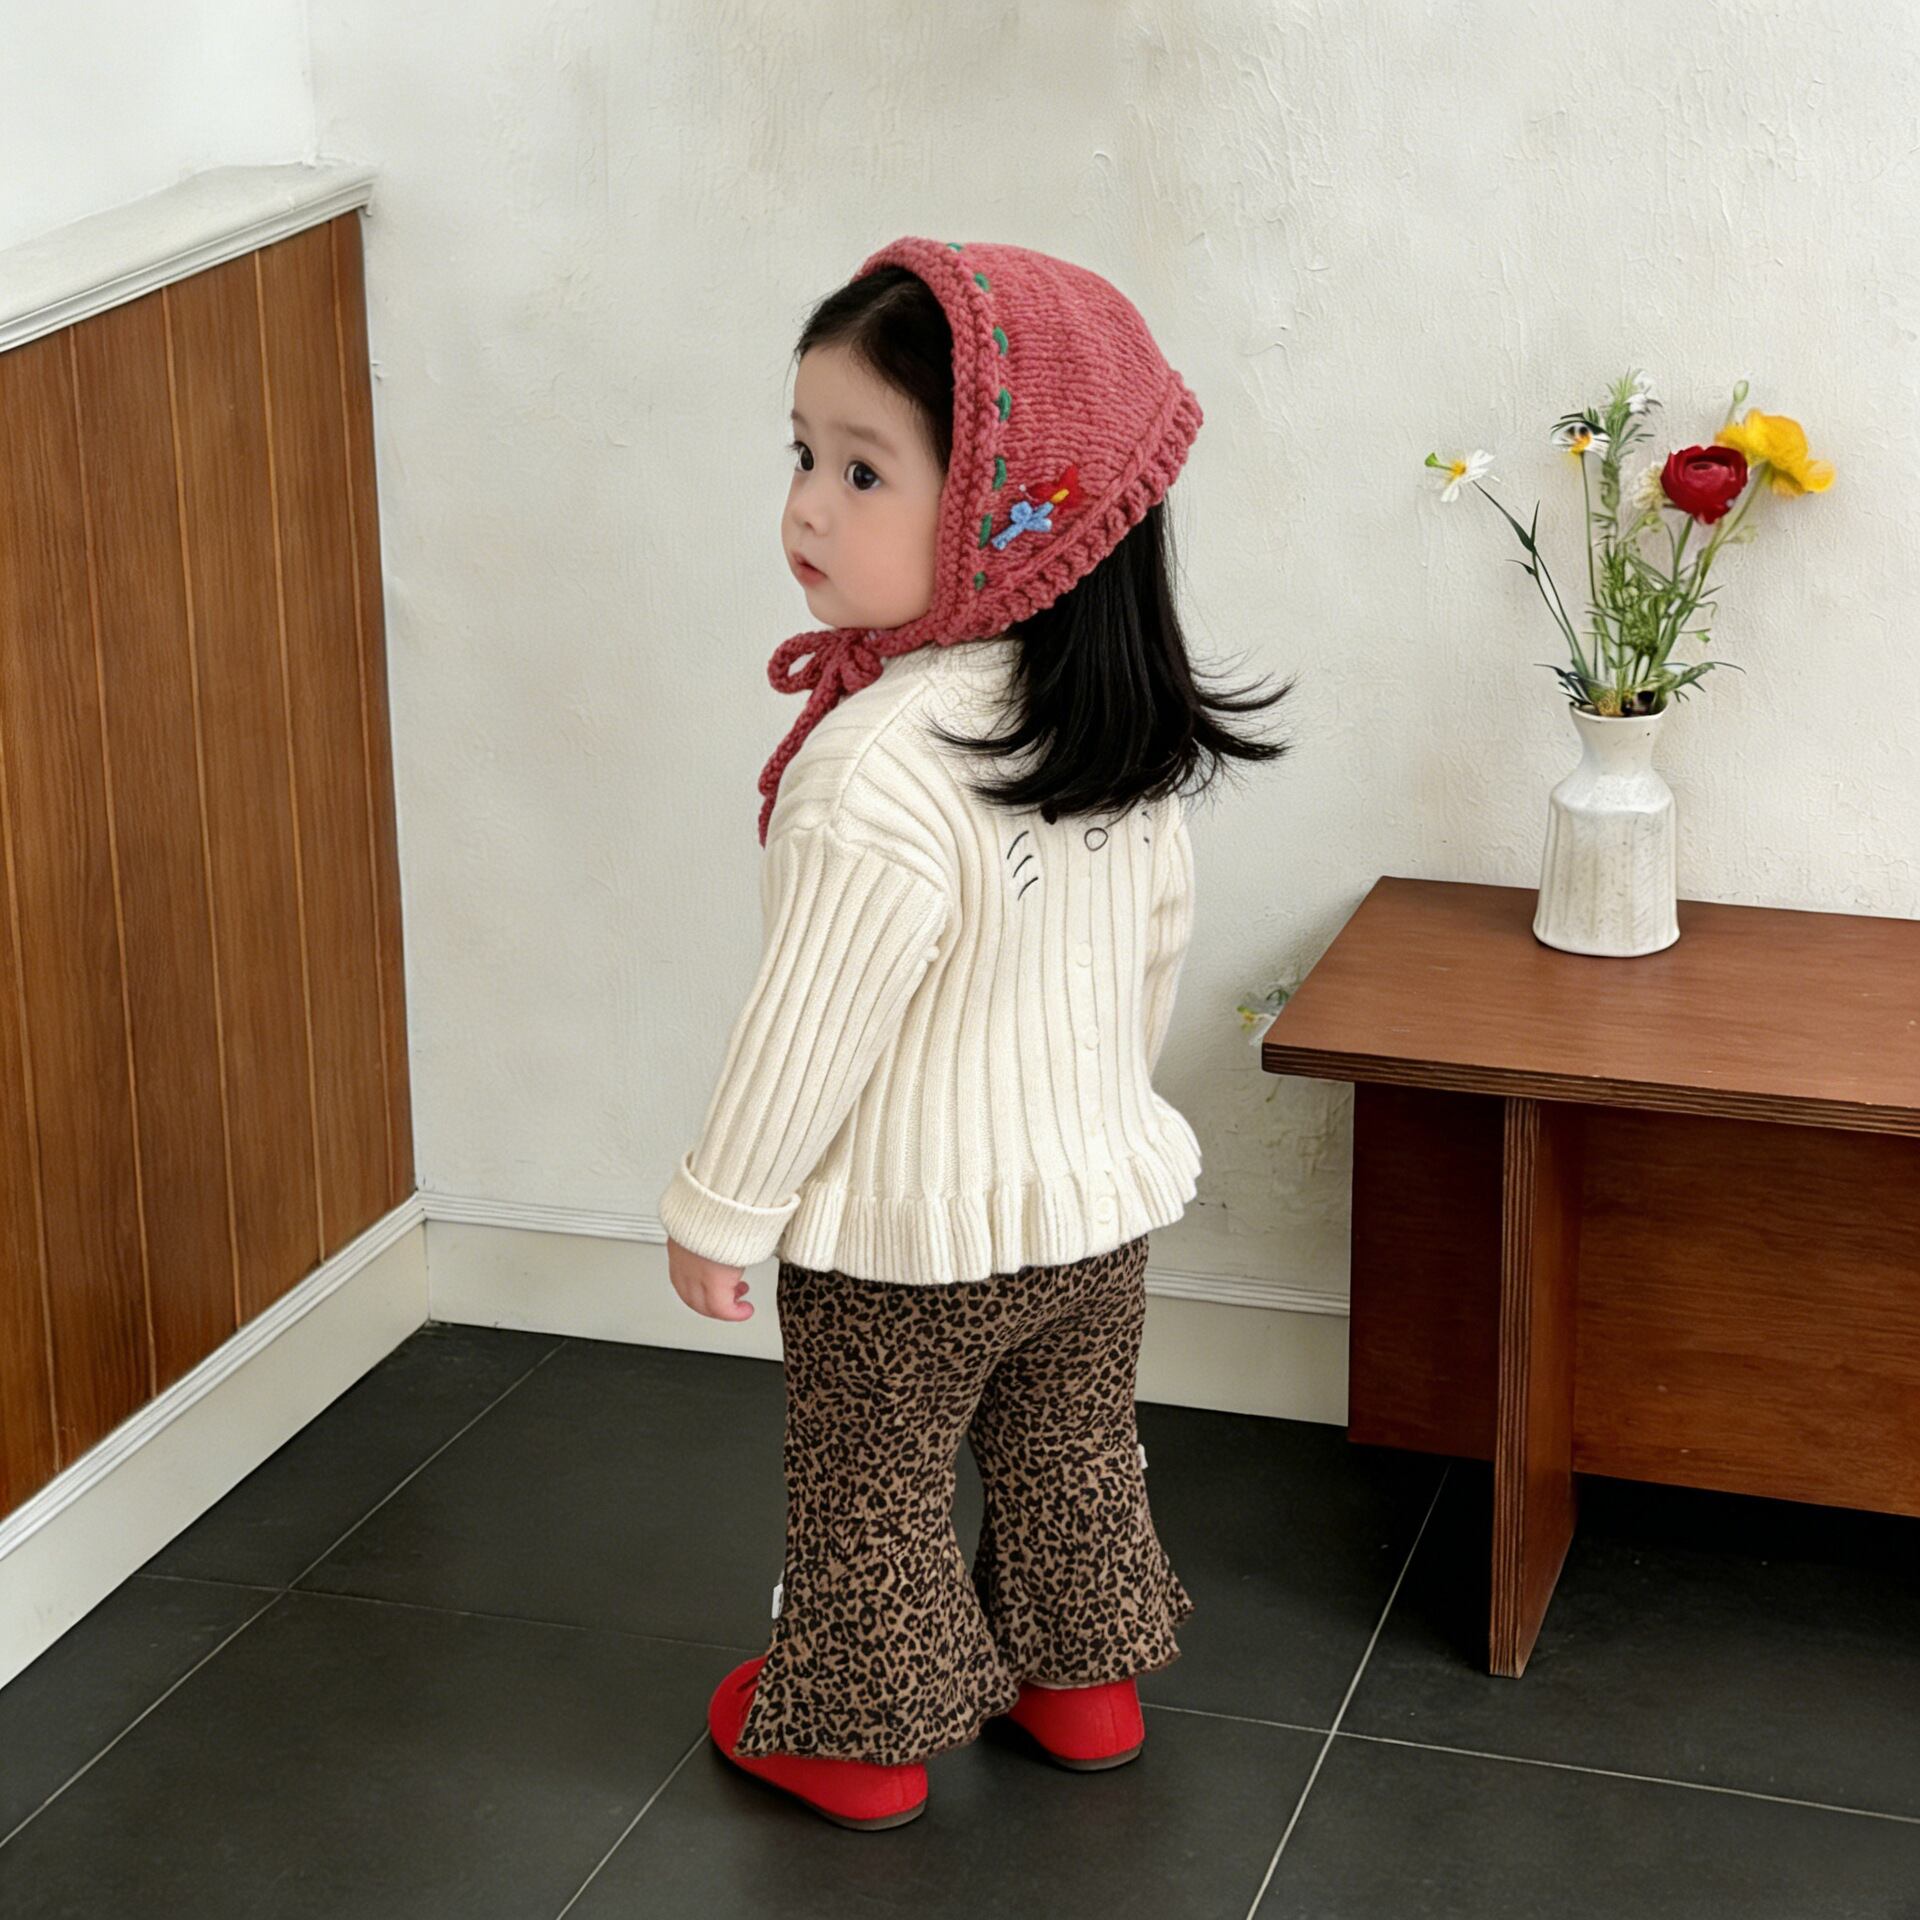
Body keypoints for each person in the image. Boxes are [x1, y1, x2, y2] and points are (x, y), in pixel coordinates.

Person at [657, 237, 1294, 1831]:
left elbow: (807, 1030)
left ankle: (856, 1742)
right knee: (1071, 1453)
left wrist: (719, 1212)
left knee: (871, 1492)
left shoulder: (875, 766)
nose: (807, 507)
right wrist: (1091, 1128)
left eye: (864, 470)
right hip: (1095, 1214)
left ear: (1018, 515)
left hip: (903, 1248)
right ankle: (1082, 1687)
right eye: (803, 454)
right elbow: (1145, 969)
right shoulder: (1114, 730)